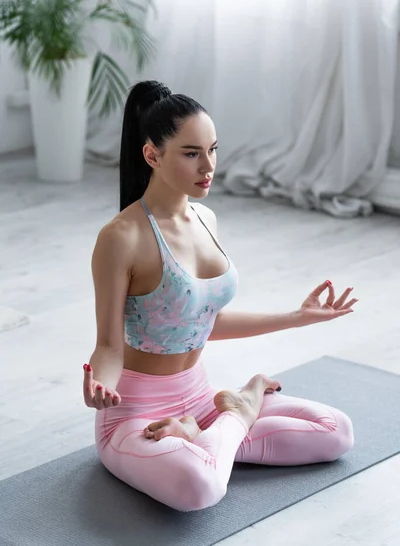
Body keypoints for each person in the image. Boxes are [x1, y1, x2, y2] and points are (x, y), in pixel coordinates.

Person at [83, 80, 356, 512]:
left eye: (212, 150)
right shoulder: (120, 238)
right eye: (191, 153)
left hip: (200, 397)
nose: (207, 165)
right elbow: (109, 345)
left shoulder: (206, 217)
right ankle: (239, 412)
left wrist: (297, 316)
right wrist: (100, 384)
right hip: (137, 416)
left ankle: (204, 431)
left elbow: (203, 321)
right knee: (200, 488)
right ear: (152, 155)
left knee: (336, 430)